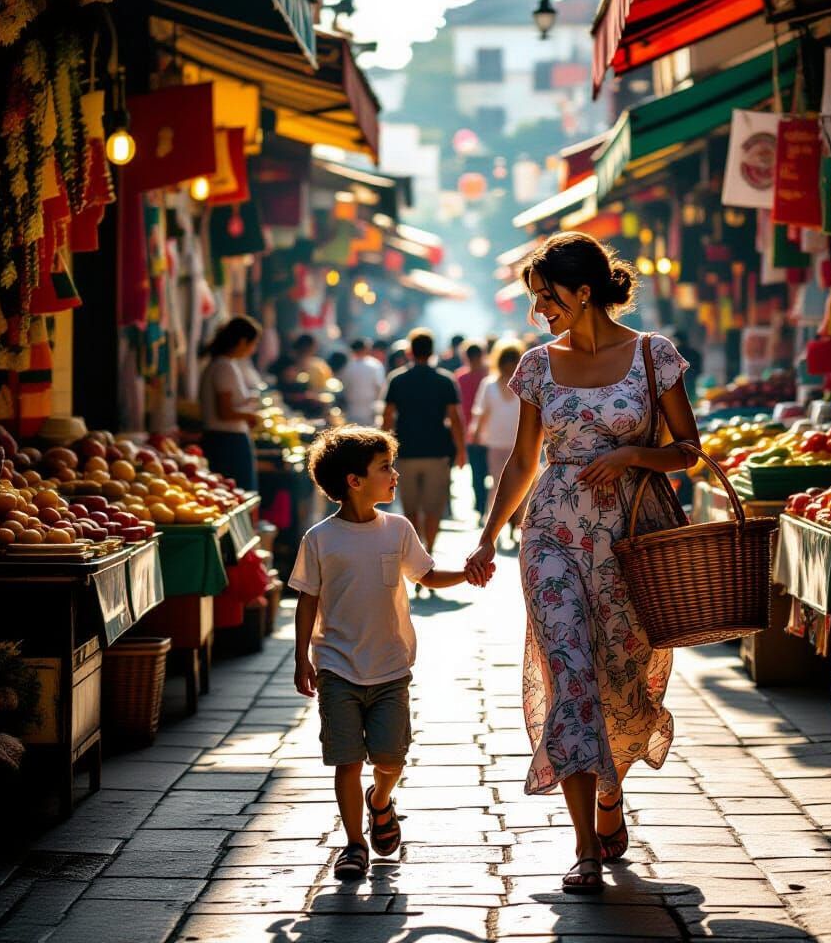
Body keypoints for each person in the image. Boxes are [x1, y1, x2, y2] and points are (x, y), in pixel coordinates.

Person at [464, 231, 700, 896]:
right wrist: (488, 537)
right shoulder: (537, 365)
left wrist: (632, 457)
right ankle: (583, 850)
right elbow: (521, 460)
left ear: (584, 292)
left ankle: (610, 790)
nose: (540, 311)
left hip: (626, 540)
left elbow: (687, 448)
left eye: (548, 298)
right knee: (570, 675)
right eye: (536, 299)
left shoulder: (653, 356)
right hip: (551, 537)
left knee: (622, 678)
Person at [290, 426, 493, 881]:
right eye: (385, 468)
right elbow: (307, 599)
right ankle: (354, 844)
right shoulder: (319, 539)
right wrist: (302, 657)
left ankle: (380, 800)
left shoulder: (398, 530)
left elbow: (425, 575)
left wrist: (466, 573)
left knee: (390, 759)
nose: (395, 474)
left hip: (390, 666)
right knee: (345, 760)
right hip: (337, 667)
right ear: (354, 481)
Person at [382, 328, 466, 565]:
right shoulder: (444, 380)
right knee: (433, 507)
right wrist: (461, 450)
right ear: (432, 351)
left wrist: (383, 452)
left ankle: (416, 551)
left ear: (410, 351)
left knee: (410, 507)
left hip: (406, 451)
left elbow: (387, 417)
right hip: (438, 452)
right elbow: (455, 418)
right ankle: (428, 550)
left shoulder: (397, 379)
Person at [470, 340, 529, 547]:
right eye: (507, 361)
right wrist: (476, 434)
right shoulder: (489, 384)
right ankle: (498, 528)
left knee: (522, 488)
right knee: (498, 486)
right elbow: (482, 412)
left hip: (521, 444)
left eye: (514, 361)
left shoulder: (525, 383)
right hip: (495, 444)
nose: (510, 365)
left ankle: (516, 526)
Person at [198, 316, 263, 492]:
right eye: (253, 344)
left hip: (225, 439)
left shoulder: (222, 365)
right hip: (227, 442)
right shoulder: (223, 367)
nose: (253, 349)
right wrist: (251, 415)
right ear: (243, 342)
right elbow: (224, 412)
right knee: (238, 493)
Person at [455, 340, 490, 522]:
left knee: (477, 474)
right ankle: (488, 507)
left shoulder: (460, 377)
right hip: (491, 433)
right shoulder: (490, 375)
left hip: (471, 433)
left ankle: (481, 506)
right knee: (493, 473)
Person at [339, 338, 386, 425]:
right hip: (369, 408)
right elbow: (380, 387)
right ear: (366, 348)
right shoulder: (375, 365)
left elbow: (344, 387)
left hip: (352, 409)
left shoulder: (348, 367)